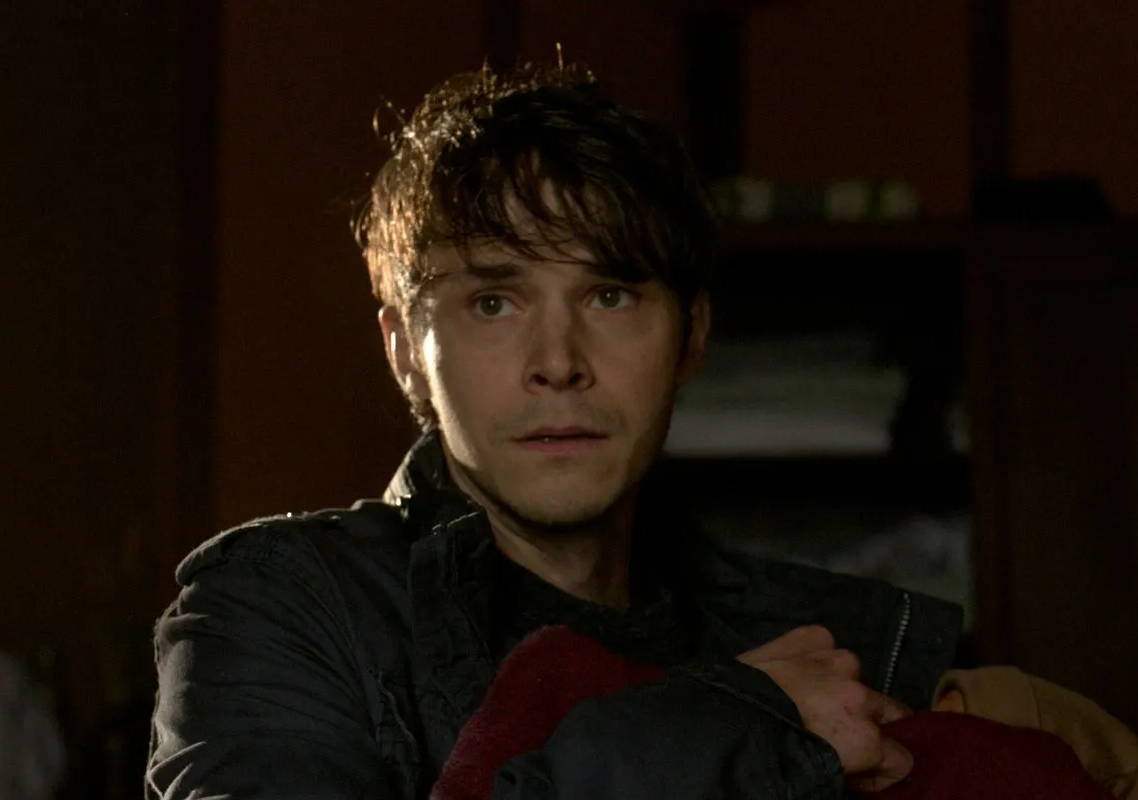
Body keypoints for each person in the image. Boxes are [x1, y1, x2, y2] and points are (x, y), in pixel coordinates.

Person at [147, 62, 1001, 798]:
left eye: (609, 296)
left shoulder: (822, 645)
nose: (558, 362)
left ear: (692, 336)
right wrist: (728, 724)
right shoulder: (285, 606)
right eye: (494, 303)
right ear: (405, 350)